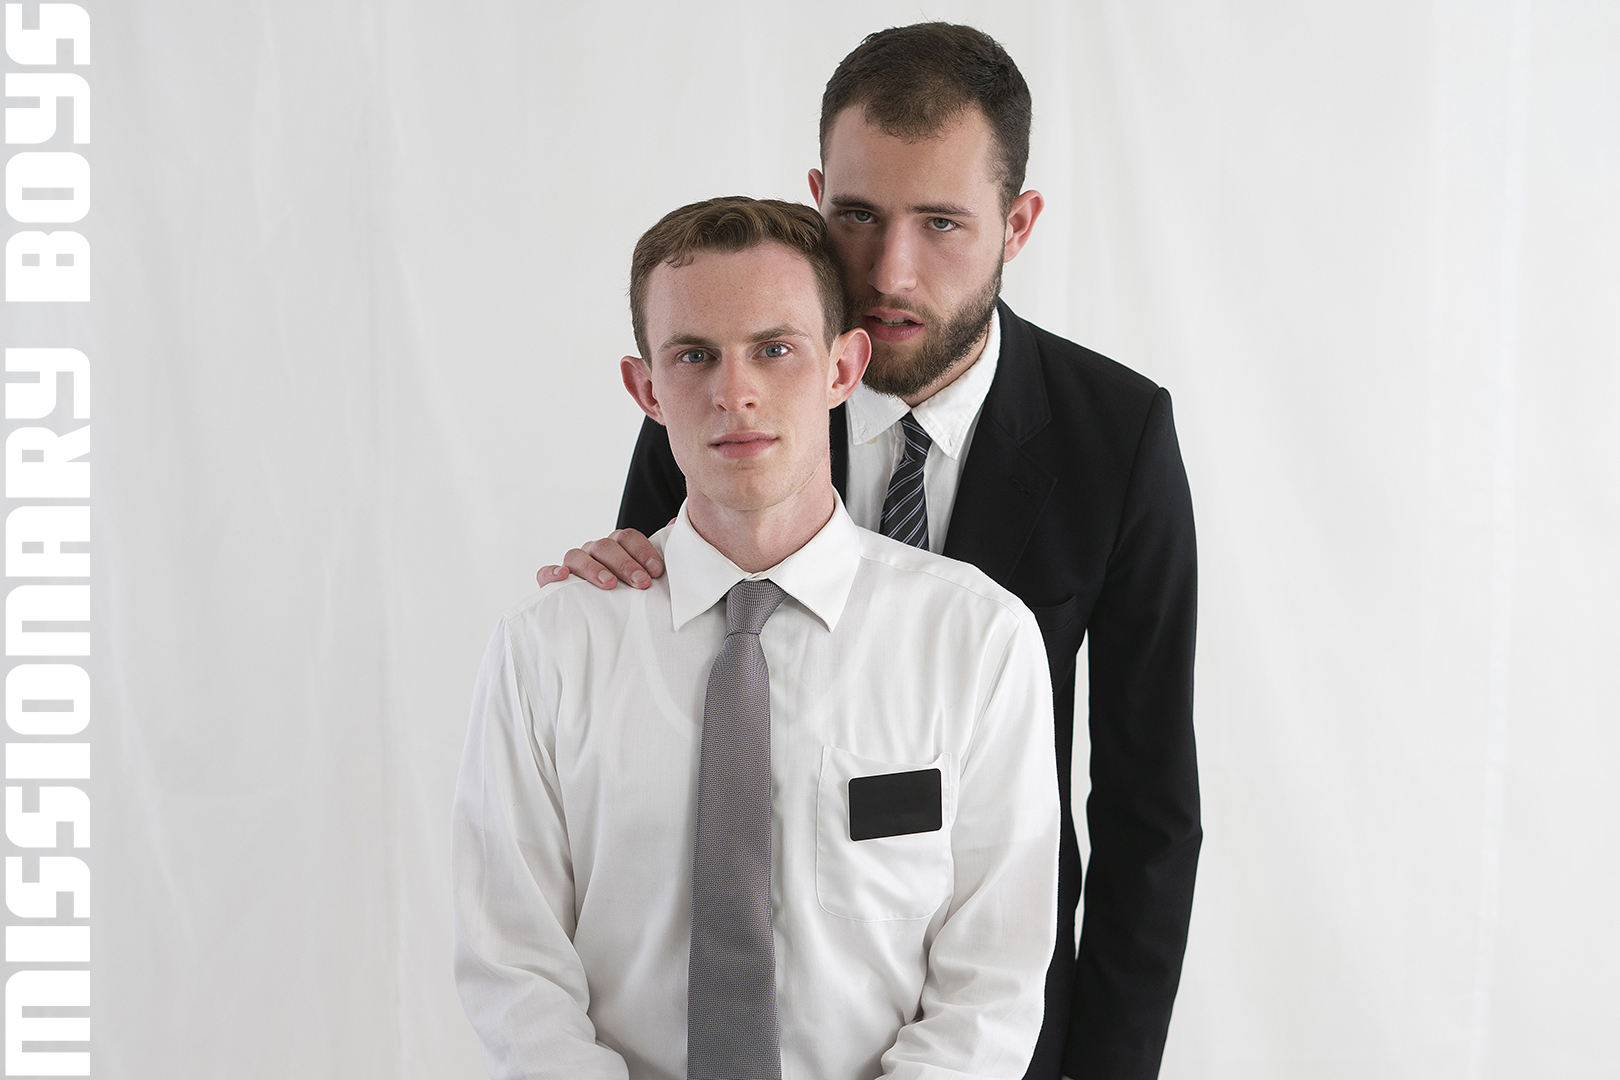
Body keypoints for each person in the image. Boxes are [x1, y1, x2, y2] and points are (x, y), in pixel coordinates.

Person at [542, 24, 1200, 1080]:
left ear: (1017, 224)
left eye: (941, 223)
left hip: (1004, 1025)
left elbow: (1147, 812)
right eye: (857, 216)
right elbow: (659, 647)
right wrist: (610, 578)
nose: (891, 270)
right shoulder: (728, 398)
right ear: (816, 199)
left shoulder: (1114, 436)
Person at [455, 196, 1061, 1080]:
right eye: (694, 355)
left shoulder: (978, 644)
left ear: (844, 367)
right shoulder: (545, 654)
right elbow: (514, 971)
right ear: (646, 389)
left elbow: (992, 986)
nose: (734, 392)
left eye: (775, 349)